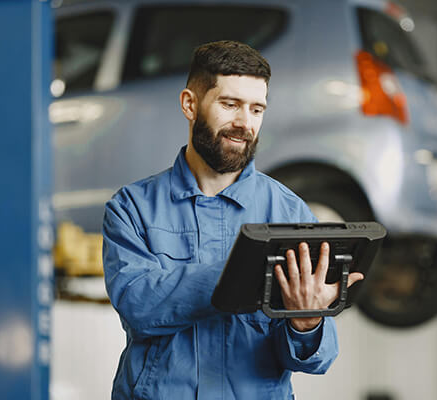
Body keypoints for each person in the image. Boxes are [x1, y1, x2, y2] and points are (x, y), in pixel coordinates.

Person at [101, 40, 364, 399]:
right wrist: (241, 270)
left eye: (257, 109)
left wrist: (308, 322)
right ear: (190, 104)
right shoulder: (133, 208)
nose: (244, 123)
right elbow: (139, 307)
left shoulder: (289, 213)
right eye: (230, 104)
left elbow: (316, 359)